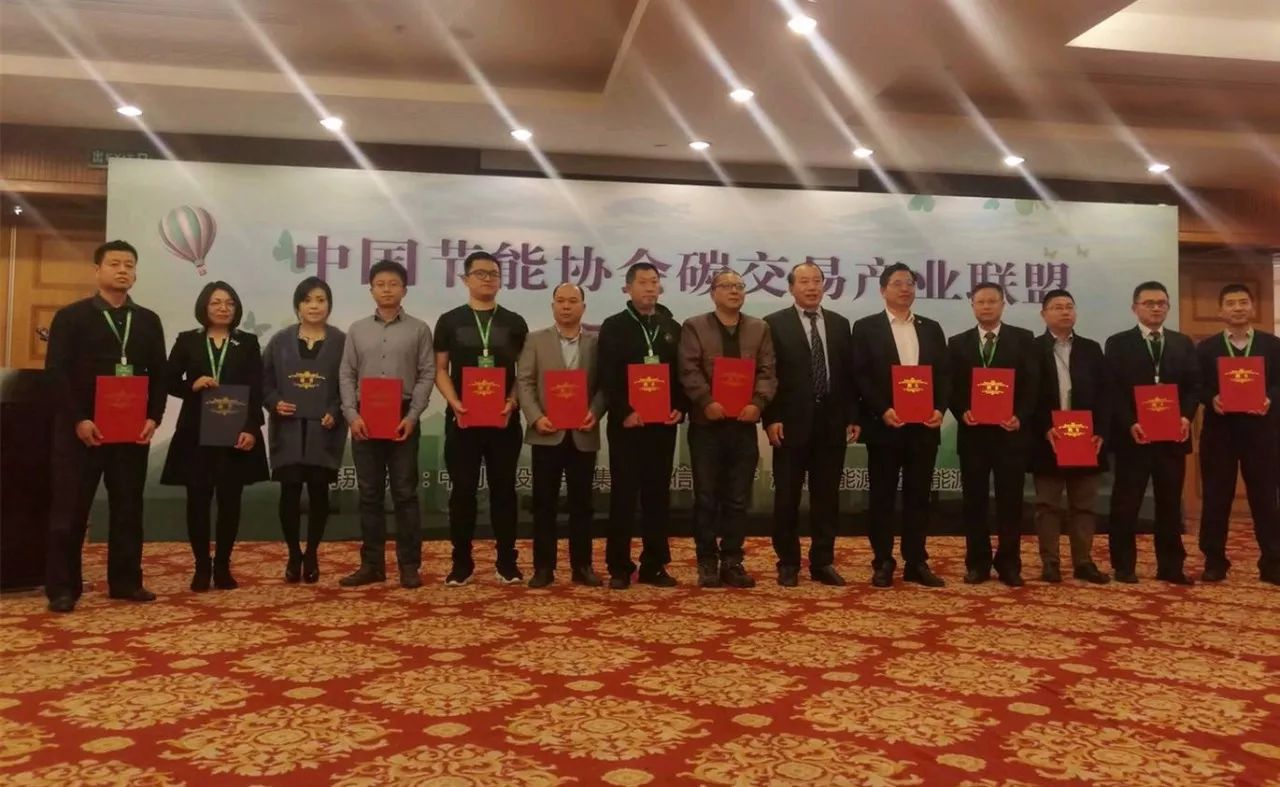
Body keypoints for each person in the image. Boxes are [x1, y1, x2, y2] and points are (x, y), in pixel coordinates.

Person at [44, 240, 167, 613]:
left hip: (130, 431)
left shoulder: (148, 320)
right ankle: (63, 588)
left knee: (128, 507)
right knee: (70, 510)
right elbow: (57, 373)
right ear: (97, 270)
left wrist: (154, 417)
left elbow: (159, 374)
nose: (123, 270)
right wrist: (78, 419)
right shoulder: (71, 317)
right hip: (82, 432)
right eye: (115, 263)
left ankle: (126, 581)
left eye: (129, 264)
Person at [161, 281, 269, 591]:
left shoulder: (247, 342)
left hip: (235, 431)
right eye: (216, 303)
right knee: (197, 500)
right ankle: (201, 566)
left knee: (230, 500)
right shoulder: (187, 341)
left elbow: (257, 388)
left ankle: (222, 565)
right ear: (204, 307)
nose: (223, 308)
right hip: (196, 431)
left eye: (229, 303)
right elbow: (167, 380)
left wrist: (251, 428)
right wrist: (191, 386)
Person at [434, 251, 529, 586]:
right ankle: (461, 563)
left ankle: (507, 562)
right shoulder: (449, 320)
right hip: (463, 420)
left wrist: (512, 401)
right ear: (465, 279)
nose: (488, 279)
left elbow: (524, 371)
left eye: (494, 274)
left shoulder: (514, 322)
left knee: (504, 491)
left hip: (503, 420)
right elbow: (440, 369)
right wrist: (455, 402)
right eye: (480, 273)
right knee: (463, 492)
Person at [338, 260, 435, 589]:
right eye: (380, 284)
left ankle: (409, 566)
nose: (387, 289)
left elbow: (427, 374)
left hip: (403, 416)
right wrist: (351, 414)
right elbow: (346, 373)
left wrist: (413, 416)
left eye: (393, 283)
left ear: (404, 289)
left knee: (405, 493)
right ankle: (372, 565)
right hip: (364, 416)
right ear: (371, 290)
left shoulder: (419, 329)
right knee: (369, 494)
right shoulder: (357, 329)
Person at [851, 263, 947, 588]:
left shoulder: (931, 328)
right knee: (882, 497)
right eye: (897, 283)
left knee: (919, 497)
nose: (905, 288)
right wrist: (882, 409)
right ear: (883, 290)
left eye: (910, 283)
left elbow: (944, 373)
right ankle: (883, 561)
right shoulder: (866, 327)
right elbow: (861, 376)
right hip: (885, 426)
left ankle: (916, 561)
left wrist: (940, 408)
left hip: (924, 427)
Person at [764, 262, 860, 587]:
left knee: (827, 497)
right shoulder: (774, 324)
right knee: (787, 497)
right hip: (790, 423)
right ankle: (788, 562)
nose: (811, 287)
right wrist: (771, 417)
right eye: (804, 281)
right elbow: (768, 375)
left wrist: (852, 416)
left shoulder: (840, 324)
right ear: (791, 287)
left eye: (817, 281)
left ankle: (822, 561)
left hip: (832, 423)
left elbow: (848, 375)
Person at [680, 270, 777, 588]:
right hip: (707, 425)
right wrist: (705, 401)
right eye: (727, 286)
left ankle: (733, 561)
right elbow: (688, 369)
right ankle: (707, 561)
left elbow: (768, 371)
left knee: (737, 498)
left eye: (739, 286)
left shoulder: (759, 328)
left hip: (743, 425)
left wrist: (758, 403)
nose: (734, 291)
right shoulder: (695, 326)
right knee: (706, 498)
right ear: (712, 293)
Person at [598, 262, 688, 589]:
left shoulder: (672, 327)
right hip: (627, 425)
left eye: (654, 282)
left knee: (657, 496)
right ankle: (619, 566)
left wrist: (680, 407)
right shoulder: (614, 326)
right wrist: (624, 411)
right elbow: (607, 375)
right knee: (623, 495)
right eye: (643, 282)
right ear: (628, 288)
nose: (650, 288)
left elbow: (682, 373)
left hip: (662, 424)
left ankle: (654, 564)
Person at [1104, 280, 1199, 585]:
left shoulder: (1182, 343)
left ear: (1168, 307)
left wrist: (1185, 416)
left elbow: (1193, 386)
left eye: (1161, 303)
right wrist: (1130, 422)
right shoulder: (1118, 343)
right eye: (1149, 303)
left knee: (1169, 504)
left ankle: (1171, 566)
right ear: (1135, 308)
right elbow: (1113, 389)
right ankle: (1123, 566)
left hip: (1172, 438)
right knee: (1126, 503)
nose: (1156, 308)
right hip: (1134, 438)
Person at [947, 282, 1039, 587]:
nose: (986, 306)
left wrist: (1020, 416)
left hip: (1009, 435)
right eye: (981, 302)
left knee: (1010, 502)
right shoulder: (957, 343)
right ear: (972, 305)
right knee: (974, 502)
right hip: (973, 436)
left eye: (992, 301)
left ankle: (1009, 564)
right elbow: (951, 387)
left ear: (1003, 304)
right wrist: (962, 411)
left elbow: (1032, 385)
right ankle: (978, 563)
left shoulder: (1023, 339)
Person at [516, 282, 605, 588]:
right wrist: (535, 417)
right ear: (552, 306)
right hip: (547, 433)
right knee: (544, 504)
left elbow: (604, 385)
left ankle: (583, 566)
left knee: (582, 504)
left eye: (573, 301)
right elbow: (524, 382)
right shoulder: (535, 340)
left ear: (583, 307)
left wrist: (596, 411)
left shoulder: (596, 343)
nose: (566, 306)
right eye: (561, 301)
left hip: (583, 432)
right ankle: (544, 568)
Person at [263, 277, 347, 584]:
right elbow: (264, 381)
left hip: (324, 430)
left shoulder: (342, 342)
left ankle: (311, 553)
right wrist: (274, 402)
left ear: (329, 305)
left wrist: (336, 411)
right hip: (287, 429)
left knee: (319, 492)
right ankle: (293, 553)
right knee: (289, 491)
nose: (314, 306)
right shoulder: (280, 341)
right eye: (308, 300)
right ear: (298, 305)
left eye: (321, 300)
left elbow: (349, 383)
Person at [1194, 283, 1280, 584]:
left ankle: (1272, 562)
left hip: (1262, 434)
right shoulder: (1206, 348)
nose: (1238, 308)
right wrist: (1211, 399)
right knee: (1216, 499)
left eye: (1243, 302)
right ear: (1221, 310)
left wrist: (1270, 399)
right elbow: (1197, 385)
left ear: (1252, 307)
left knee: (1265, 499)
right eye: (1231, 303)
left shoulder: (1273, 345)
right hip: (1221, 434)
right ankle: (1214, 561)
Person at [1027, 289, 1111, 584]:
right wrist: (1043, 428)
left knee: (1084, 505)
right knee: (1047, 505)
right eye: (1057, 307)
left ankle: (1084, 562)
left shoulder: (1091, 348)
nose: (1065, 311)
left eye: (1069, 306)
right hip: (1049, 438)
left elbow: (1105, 394)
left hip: (1085, 439)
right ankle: (1050, 562)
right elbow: (1027, 396)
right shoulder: (1032, 349)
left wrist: (1100, 432)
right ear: (1043, 314)